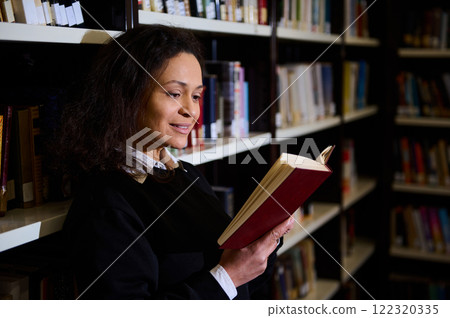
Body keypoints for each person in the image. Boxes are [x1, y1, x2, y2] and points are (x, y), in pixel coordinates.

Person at [58, 24, 294, 300]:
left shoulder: (188, 175)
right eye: (173, 93)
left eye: (195, 96)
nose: (191, 110)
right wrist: (228, 277)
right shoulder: (106, 204)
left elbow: (242, 278)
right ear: (128, 95)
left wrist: (262, 241)